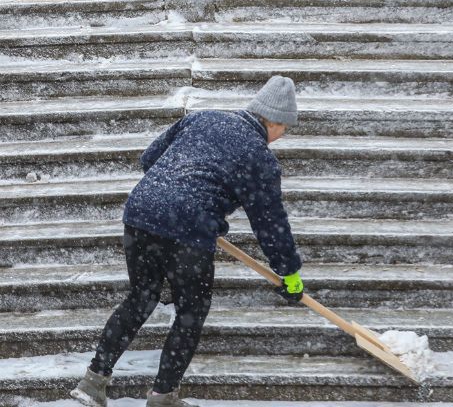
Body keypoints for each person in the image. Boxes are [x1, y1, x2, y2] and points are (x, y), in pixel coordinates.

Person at [68, 77, 304, 407]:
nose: (282, 136)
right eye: (286, 128)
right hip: (188, 232)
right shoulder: (259, 157)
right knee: (191, 311)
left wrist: (195, 205)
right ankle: (163, 396)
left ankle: (93, 383)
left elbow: (150, 159)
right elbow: (270, 224)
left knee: (140, 297)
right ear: (276, 121)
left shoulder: (202, 118)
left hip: (141, 215)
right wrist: (289, 272)